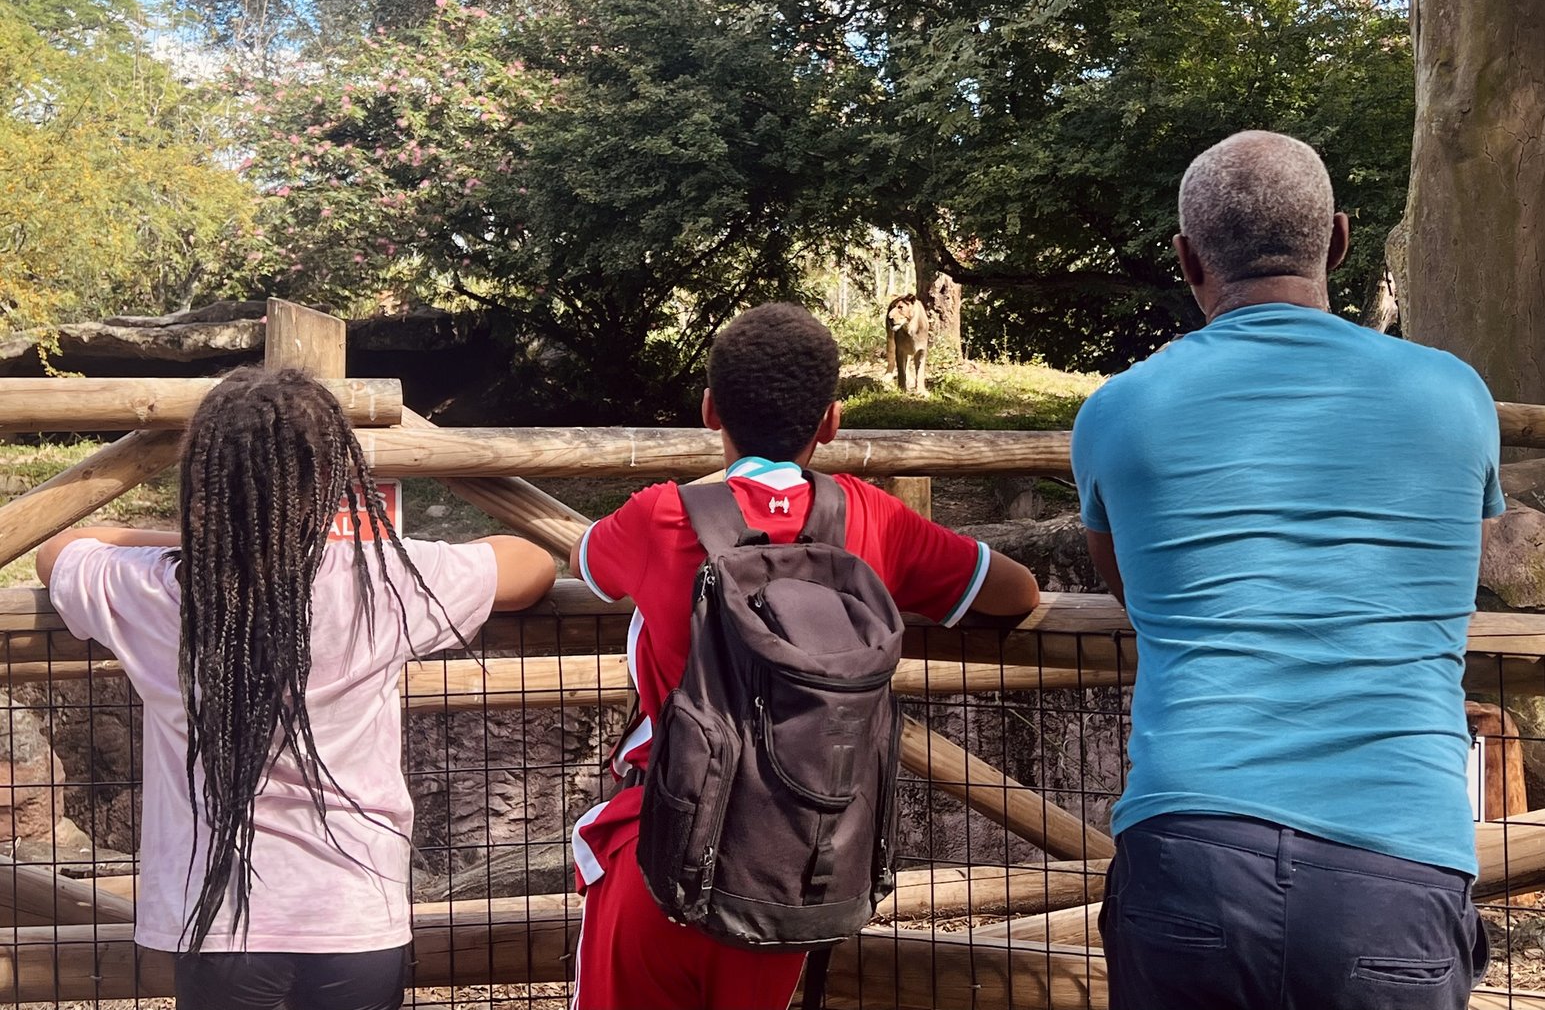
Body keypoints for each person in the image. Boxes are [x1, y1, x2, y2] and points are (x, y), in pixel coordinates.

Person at [1072, 131, 1500, 1010]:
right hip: (1398, 858)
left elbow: (1134, 584)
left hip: (1186, 846)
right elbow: (1463, 551)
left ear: (1187, 258)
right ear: (1339, 241)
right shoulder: (1455, 395)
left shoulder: (1117, 411)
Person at [566, 303, 1041, 1010]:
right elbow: (1013, 592)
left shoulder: (659, 513)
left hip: (659, 855)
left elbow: (590, 567)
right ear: (831, 422)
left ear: (708, 410)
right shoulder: (871, 516)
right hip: (788, 876)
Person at [37, 367, 557, 1010]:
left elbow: (60, 550)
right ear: (330, 475)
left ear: (202, 481)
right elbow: (531, 563)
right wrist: (280, 545)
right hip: (355, 910)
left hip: (220, 919)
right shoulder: (382, 581)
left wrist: (217, 547)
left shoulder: (155, 590)